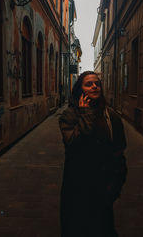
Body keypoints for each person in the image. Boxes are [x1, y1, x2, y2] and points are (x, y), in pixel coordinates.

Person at [59, 71, 127, 237]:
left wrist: (117, 180)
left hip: (104, 183)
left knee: (103, 226)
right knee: (78, 226)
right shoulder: (70, 115)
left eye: (97, 83)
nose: (94, 86)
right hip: (78, 184)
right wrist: (86, 114)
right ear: (79, 89)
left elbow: (119, 149)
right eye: (88, 84)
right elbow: (74, 144)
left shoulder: (111, 116)